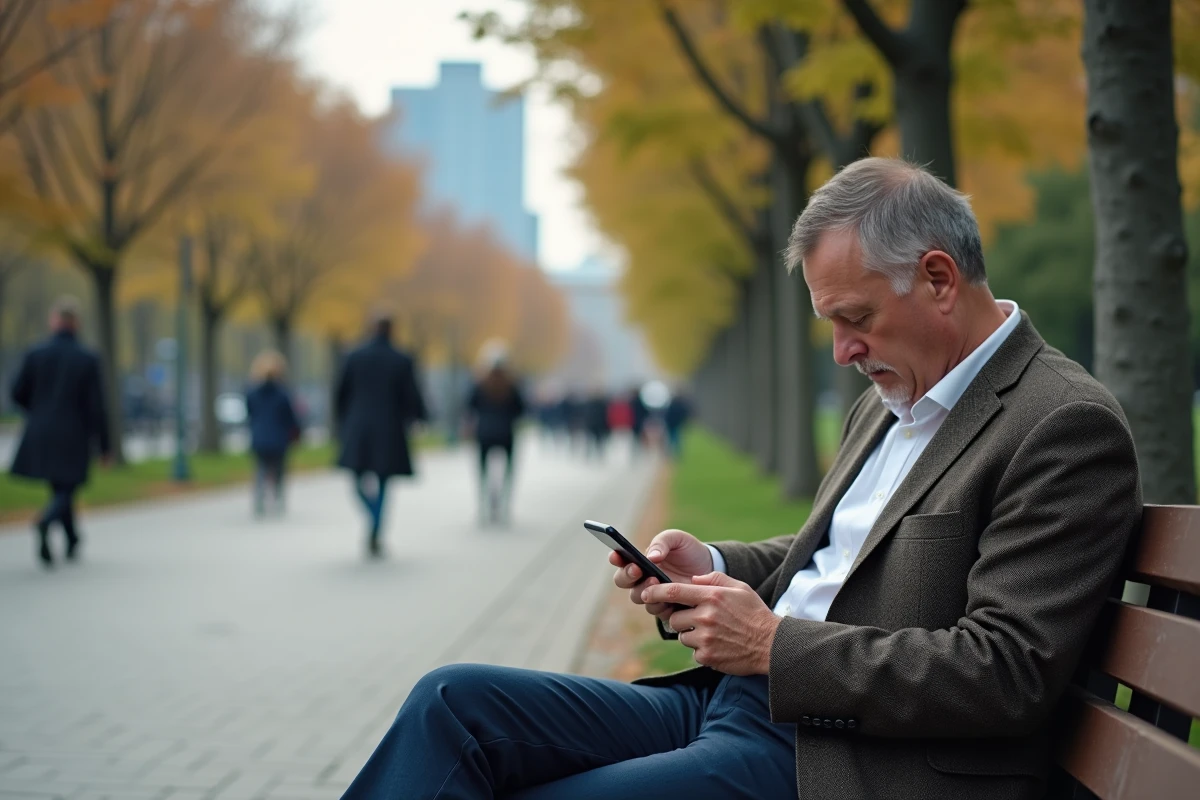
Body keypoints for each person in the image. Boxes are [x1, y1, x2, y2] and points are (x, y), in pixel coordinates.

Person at [341, 158, 1141, 799]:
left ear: (938, 279)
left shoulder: (1059, 424)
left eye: (854, 320)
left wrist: (773, 645)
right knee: (452, 706)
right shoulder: (893, 396)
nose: (843, 353)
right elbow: (843, 559)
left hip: (846, 759)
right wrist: (715, 568)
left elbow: (1006, 673)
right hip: (739, 706)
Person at [9, 296, 111, 568]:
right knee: (67, 485)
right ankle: (47, 521)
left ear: (54, 321)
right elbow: (96, 406)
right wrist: (104, 446)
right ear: (76, 323)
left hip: (40, 429)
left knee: (61, 486)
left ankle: (72, 538)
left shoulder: (35, 353)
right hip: (74, 432)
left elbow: (17, 393)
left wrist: (38, 411)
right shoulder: (87, 358)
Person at [334, 313, 427, 558]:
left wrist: (342, 423)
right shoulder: (402, 359)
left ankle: (372, 517)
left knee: (356, 478)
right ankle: (376, 522)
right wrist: (418, 418)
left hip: (359, 426)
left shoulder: (354, 356)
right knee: (384, 480)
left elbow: (341, 392)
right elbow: (412, 394)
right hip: (389, 426)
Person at [464, 342, 526, 525]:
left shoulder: (480, 384)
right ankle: (504, 503)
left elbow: (470, 406)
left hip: (484, 432)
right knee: (508, 471)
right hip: (506, 432)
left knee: (482, 471)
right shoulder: (511, 385)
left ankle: (484, 502)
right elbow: (520, 409)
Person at [244, 350, 301, 518]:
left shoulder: (252, 392)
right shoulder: (283, 393)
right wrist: (296, 432)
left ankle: (259, 499)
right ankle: (278, 498)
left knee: (261, 469)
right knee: (280, 470)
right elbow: (290, 417)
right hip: (279, 437)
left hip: (259, 436)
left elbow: (249, 414)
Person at [662, 388, 692, 460]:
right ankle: (674, 453)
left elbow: (670, 413)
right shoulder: (680, 404)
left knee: (674, 438)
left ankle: (673, 453)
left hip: (673, 423)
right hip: (674, 423)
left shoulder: (675, 404)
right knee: (674, 438)